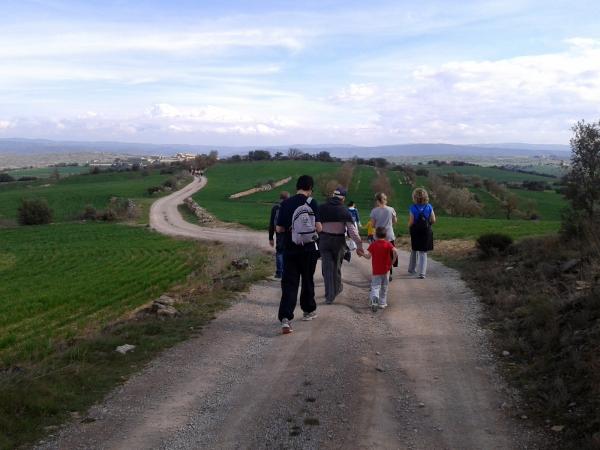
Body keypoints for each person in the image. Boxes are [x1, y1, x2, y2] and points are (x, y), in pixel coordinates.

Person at [275, 175, 322, 334]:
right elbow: (319, 227)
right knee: (308, 279)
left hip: (290, 249)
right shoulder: (312, 202)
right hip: (309, 249)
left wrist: (291, 230)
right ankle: (308, 310)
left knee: (289, 283)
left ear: (297, 187)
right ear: (310, 188)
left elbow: (279, 228)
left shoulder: (286, 203)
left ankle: (286, 319)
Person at [318, 187, 365, 304]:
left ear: (333, 195)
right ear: (343, 198)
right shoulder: (344, 211)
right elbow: (352, 230)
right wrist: (359, 244)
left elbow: (315, 225)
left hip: (324, 239)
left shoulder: (321, 208)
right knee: (336, 268)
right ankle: (337, 288)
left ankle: (329, 296)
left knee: (327, 268)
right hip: (338, 242)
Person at [362, 227, 398, 309]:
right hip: (386, 270)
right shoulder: (388, 244)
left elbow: (368, 257)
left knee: (375, 286)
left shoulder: (373, 244)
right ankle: (382, 303)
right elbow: (395, 251)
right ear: (385, 235)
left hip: (376, 270)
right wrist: (393, 260)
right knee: (384, 286)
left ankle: (374, 300)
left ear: (375, 236)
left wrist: (361, 254)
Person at [408, 188, 436, 279]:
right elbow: (433, 220)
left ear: (415, 197)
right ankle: (422, 273)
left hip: (416, 231)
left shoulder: (413, 207)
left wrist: (409, 227)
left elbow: (411, 222)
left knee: (414, 249)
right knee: (423, 252)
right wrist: (427, 224)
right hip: (426, 231)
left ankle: (412, 269)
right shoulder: (429, 206)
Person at [369, 192, 397, 281]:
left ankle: (378, 274)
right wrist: (388, 224)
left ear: (378, 201)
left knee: (378, 256)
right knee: (389, 255)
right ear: (385, 200)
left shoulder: (374, 211)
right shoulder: (391, 209)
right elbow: (395, 221)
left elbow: (372, 225)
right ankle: (389, 273)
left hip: (378, 236)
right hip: (389, 235)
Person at [268, 191, 290, 278]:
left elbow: (271, 224)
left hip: (279, 232)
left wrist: (271, 238)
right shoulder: (290, 206)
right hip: (289, 233)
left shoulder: (275, 208)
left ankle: (279, 273)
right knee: (287, 252)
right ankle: (286, 272)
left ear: (280, 198)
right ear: (288, 198)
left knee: (279, 252)